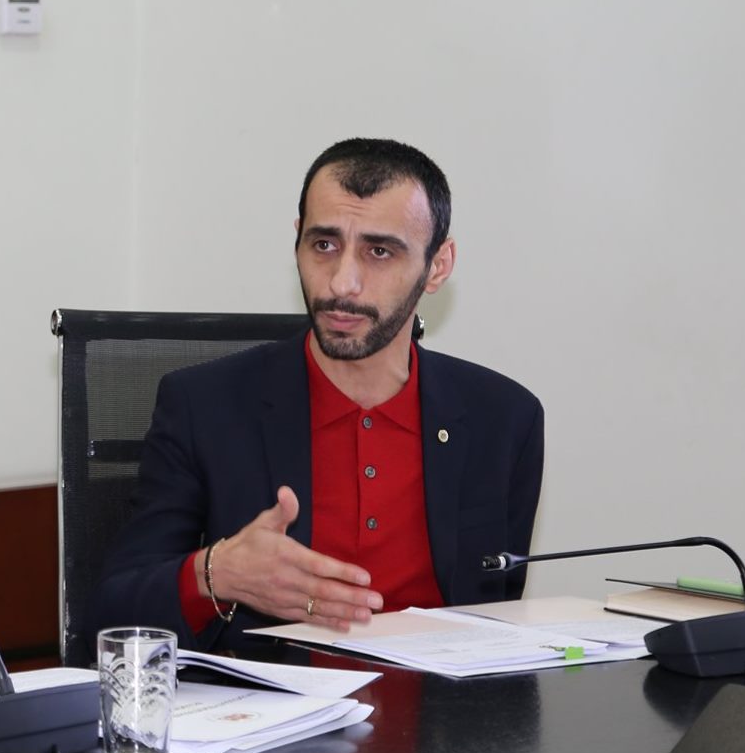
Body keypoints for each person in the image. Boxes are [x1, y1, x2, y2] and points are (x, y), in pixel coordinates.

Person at [92, 138, 544, 648]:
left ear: (437, 265)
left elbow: (496, 619)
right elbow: (110, 615)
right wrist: (215, 574)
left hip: (441, 698)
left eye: (379, 251)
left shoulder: (504, 420)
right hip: (270, 697)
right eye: (324, 245)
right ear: (297, 244)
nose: (342, 283)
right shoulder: (204, 406)